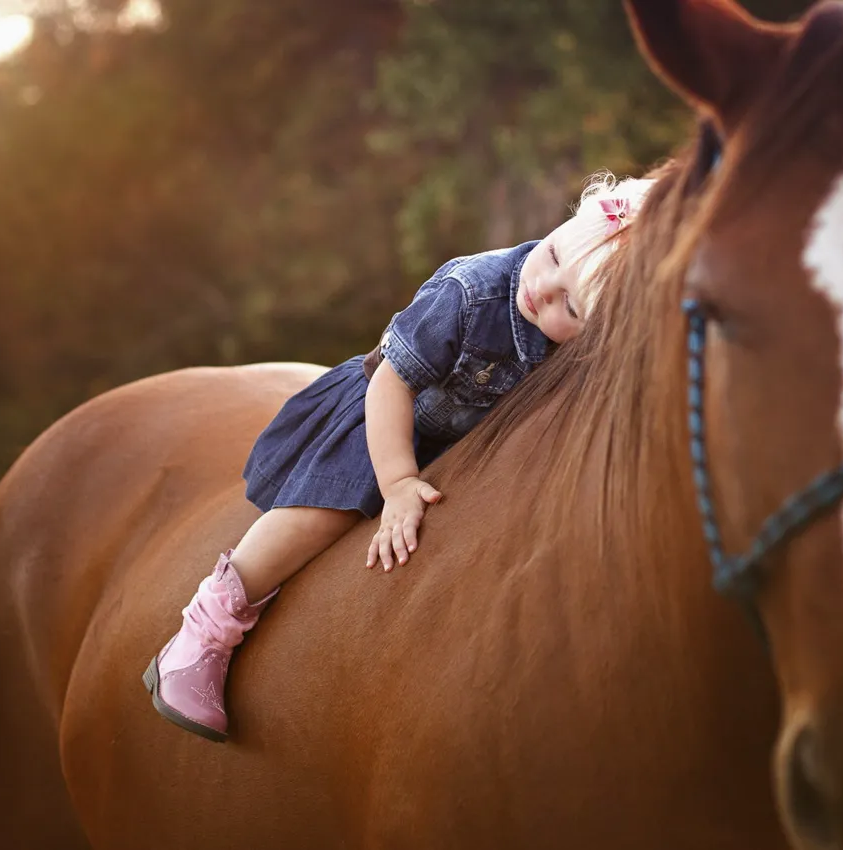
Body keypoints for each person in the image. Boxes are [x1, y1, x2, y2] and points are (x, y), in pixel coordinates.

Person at [142, 171, 656, 742]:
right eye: (555, 255)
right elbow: (392, 383)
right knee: (320, 516)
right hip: (383, 419)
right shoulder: (472, 292)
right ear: (565, 222)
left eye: (572, 306)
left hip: (459, 447)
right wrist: (398, 481)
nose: (545, 287)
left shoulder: (574, 348)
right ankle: (202, 636)